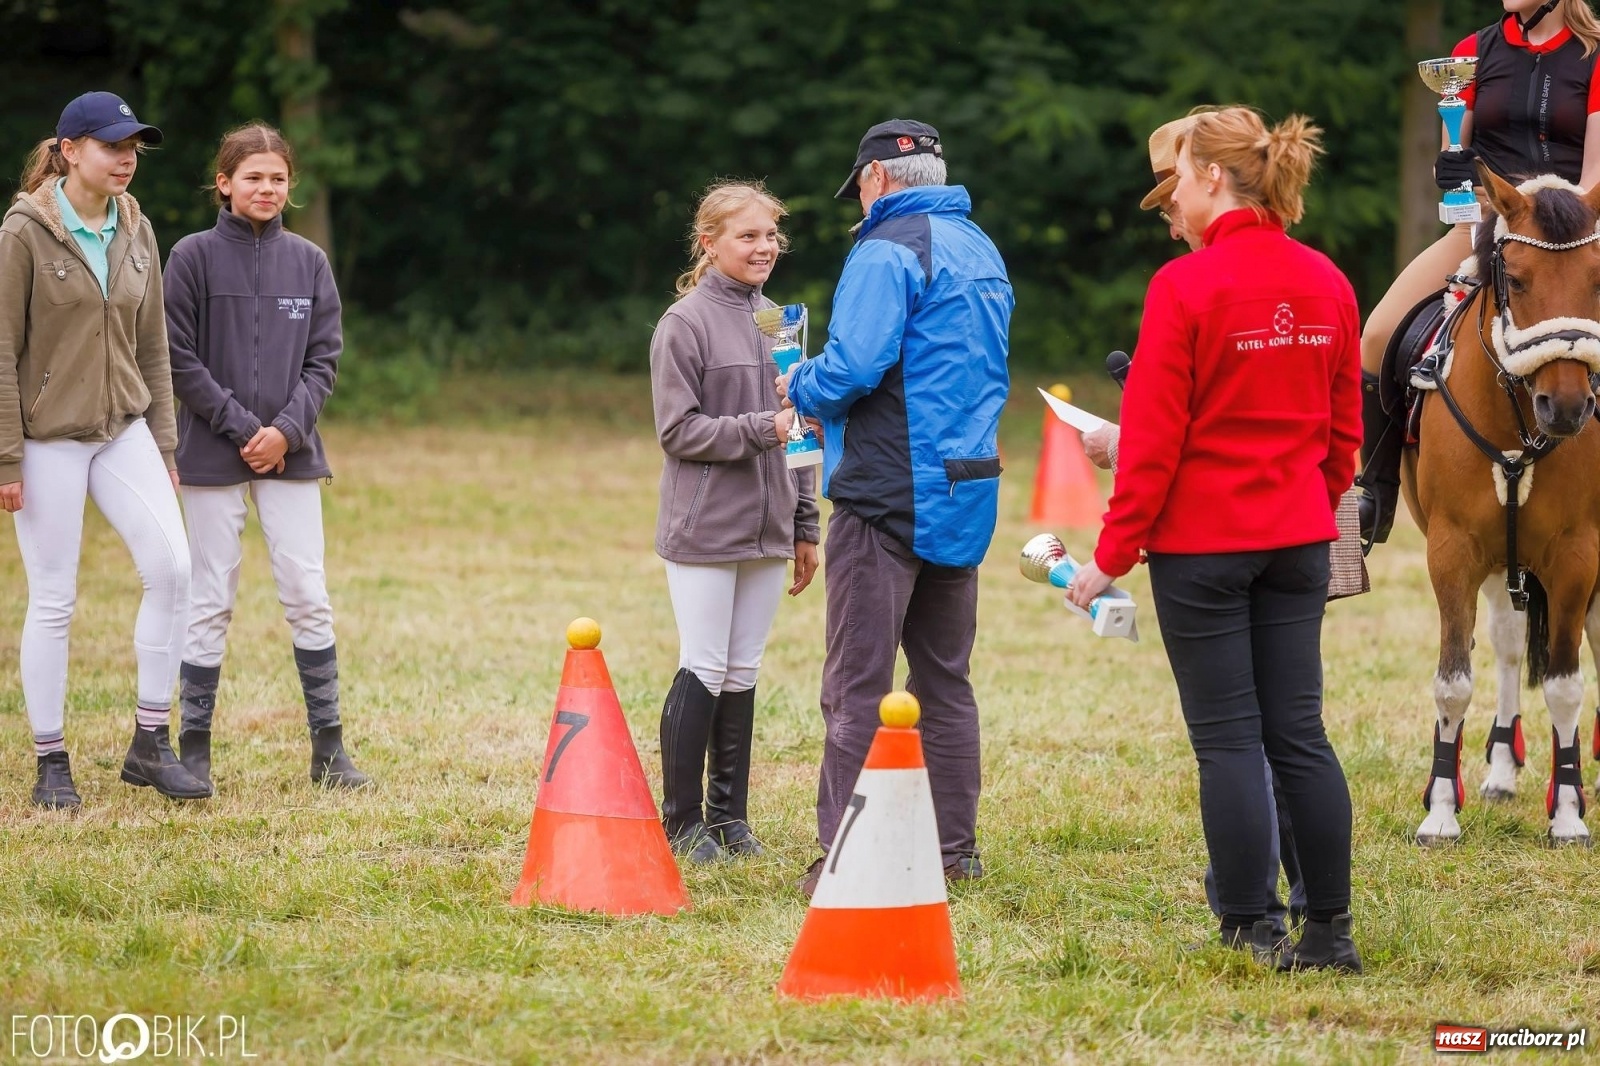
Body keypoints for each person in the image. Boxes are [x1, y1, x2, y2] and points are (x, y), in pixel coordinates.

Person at [1068, 107, 1363, 971]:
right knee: (1299, 735)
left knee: (1231, 739)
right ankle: (1330, 933)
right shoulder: (1327, 280)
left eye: (1180, 178)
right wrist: (1307, 499)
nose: (1174, 198)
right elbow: (1345, 433)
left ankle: (1250, 924)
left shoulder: (1185, 287)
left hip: (1204, 547)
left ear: (1208, 176)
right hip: (1299, 537)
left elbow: (1151, 447)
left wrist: (1107, 559)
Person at [778, 120, 1013, 894]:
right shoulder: (980, 247)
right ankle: (955, 852)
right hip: (967, 482)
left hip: (887, 491)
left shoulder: (886, 250)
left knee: (856, 683)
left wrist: (799, 384)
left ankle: (847, 856)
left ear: (876, 179)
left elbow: (854, 367)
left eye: (860, 187)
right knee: (946, 680)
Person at [0, 92, 207, 809]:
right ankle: (50, 760)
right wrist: (6, 457)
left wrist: (167, 443)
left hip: (125, 429)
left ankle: (151, 743)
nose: (126, 157)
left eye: (134, 147)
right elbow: (1, 348)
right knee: (54, 598)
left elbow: (154, 344)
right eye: (112, 144)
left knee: (175, 568)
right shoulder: (23, 232)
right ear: (68, 150)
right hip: (46, 437)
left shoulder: (137, 228)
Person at [163, 123, 368, 792]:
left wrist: (284, 430)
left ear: (291, 186)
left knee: (308, 592)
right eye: (253, 177)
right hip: (210, 452)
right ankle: (192, 750)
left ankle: (330, 752)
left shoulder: (309, 262)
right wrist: (239, 424)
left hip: (292, 453)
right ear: (224, 184)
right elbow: (177, 355)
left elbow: (324, 358)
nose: (267, 188)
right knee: (208, 599)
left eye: (278, 178)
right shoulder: (190, 257)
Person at [1356, 0, 1600, 546]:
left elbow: (1594, 176)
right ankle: (1375, 492)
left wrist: (1551, 217)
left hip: (1574, 234)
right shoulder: (1472, 52)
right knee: (1376, 335)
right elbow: (1455, 149)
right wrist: (1453, 169)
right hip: (1488, 228)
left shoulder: (1595, 56)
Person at [650, 180, 820, 862]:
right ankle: (681, 820)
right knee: (706, 662)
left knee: (744, 669)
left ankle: (730, 818)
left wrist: (808, 523)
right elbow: (678, 431)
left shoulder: (784, 322)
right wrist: (763, 427)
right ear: (710, 242)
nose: (764, 247)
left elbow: (801, 433)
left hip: (770, 523)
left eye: (771, 235)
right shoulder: (683, 324)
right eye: (748, 236)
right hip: (704, 527)